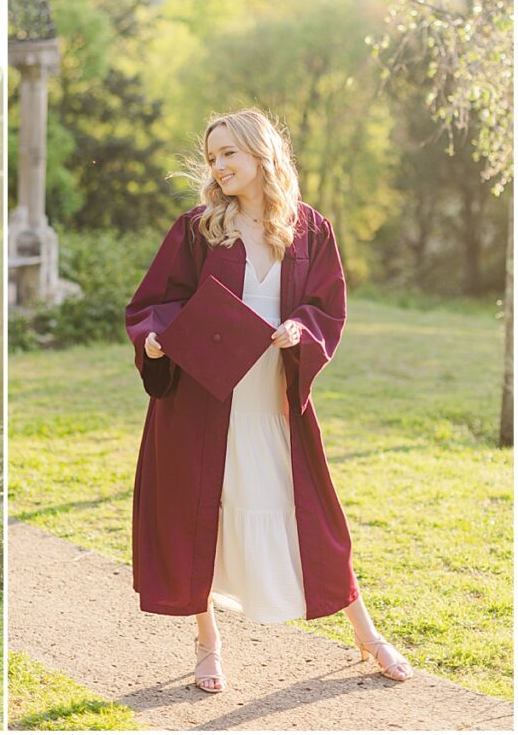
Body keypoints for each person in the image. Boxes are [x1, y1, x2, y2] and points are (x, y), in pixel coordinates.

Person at [125, 108, 413, 693]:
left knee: (309, 513)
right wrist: (154, 338)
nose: (219, 166)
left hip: (272, 395)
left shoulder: (310, 229)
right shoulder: (198, 229)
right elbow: (157, 302)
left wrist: (299, 331)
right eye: (211, 158)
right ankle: (207, 642)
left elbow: (326, 308)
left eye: (229, 153)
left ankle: (365, 632)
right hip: (203, 399)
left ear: (261, 154)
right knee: (199, 510)